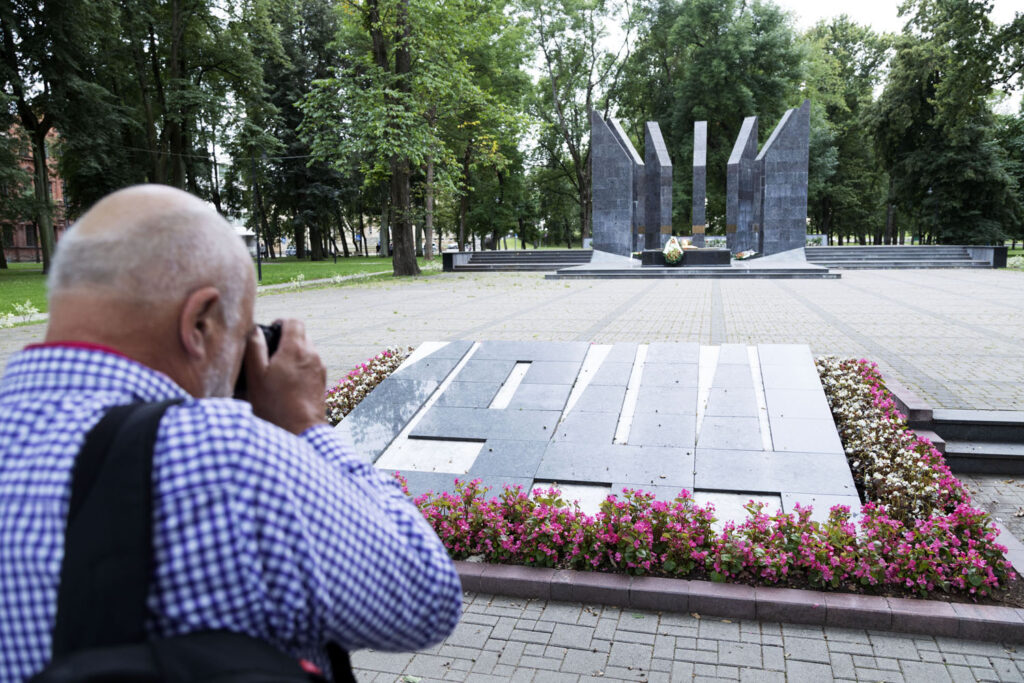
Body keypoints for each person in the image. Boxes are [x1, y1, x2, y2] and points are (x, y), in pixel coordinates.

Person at [0, 185, 462, 680]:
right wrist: (305, 423)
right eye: (244, 335)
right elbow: (427, 601)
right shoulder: (221, 455)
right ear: (198, 323)